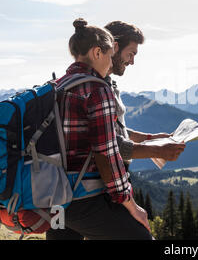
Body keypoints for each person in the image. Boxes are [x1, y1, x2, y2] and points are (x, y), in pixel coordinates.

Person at [45, 18, 153, 240]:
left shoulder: (57, 85)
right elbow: (107, 152)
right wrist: (132, 206)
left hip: (54, 197)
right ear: (97, 53)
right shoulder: (97, 89)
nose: (111, 61)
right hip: (84, 197)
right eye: (109, 54)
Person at [103, 21, 186, 165]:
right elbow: (108, 143)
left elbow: (115, 131)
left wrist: (150, 138)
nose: (132, 62)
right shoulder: (98, 89)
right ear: (114, 47)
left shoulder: (108, 84)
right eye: (130, 54)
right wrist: (158, 150)